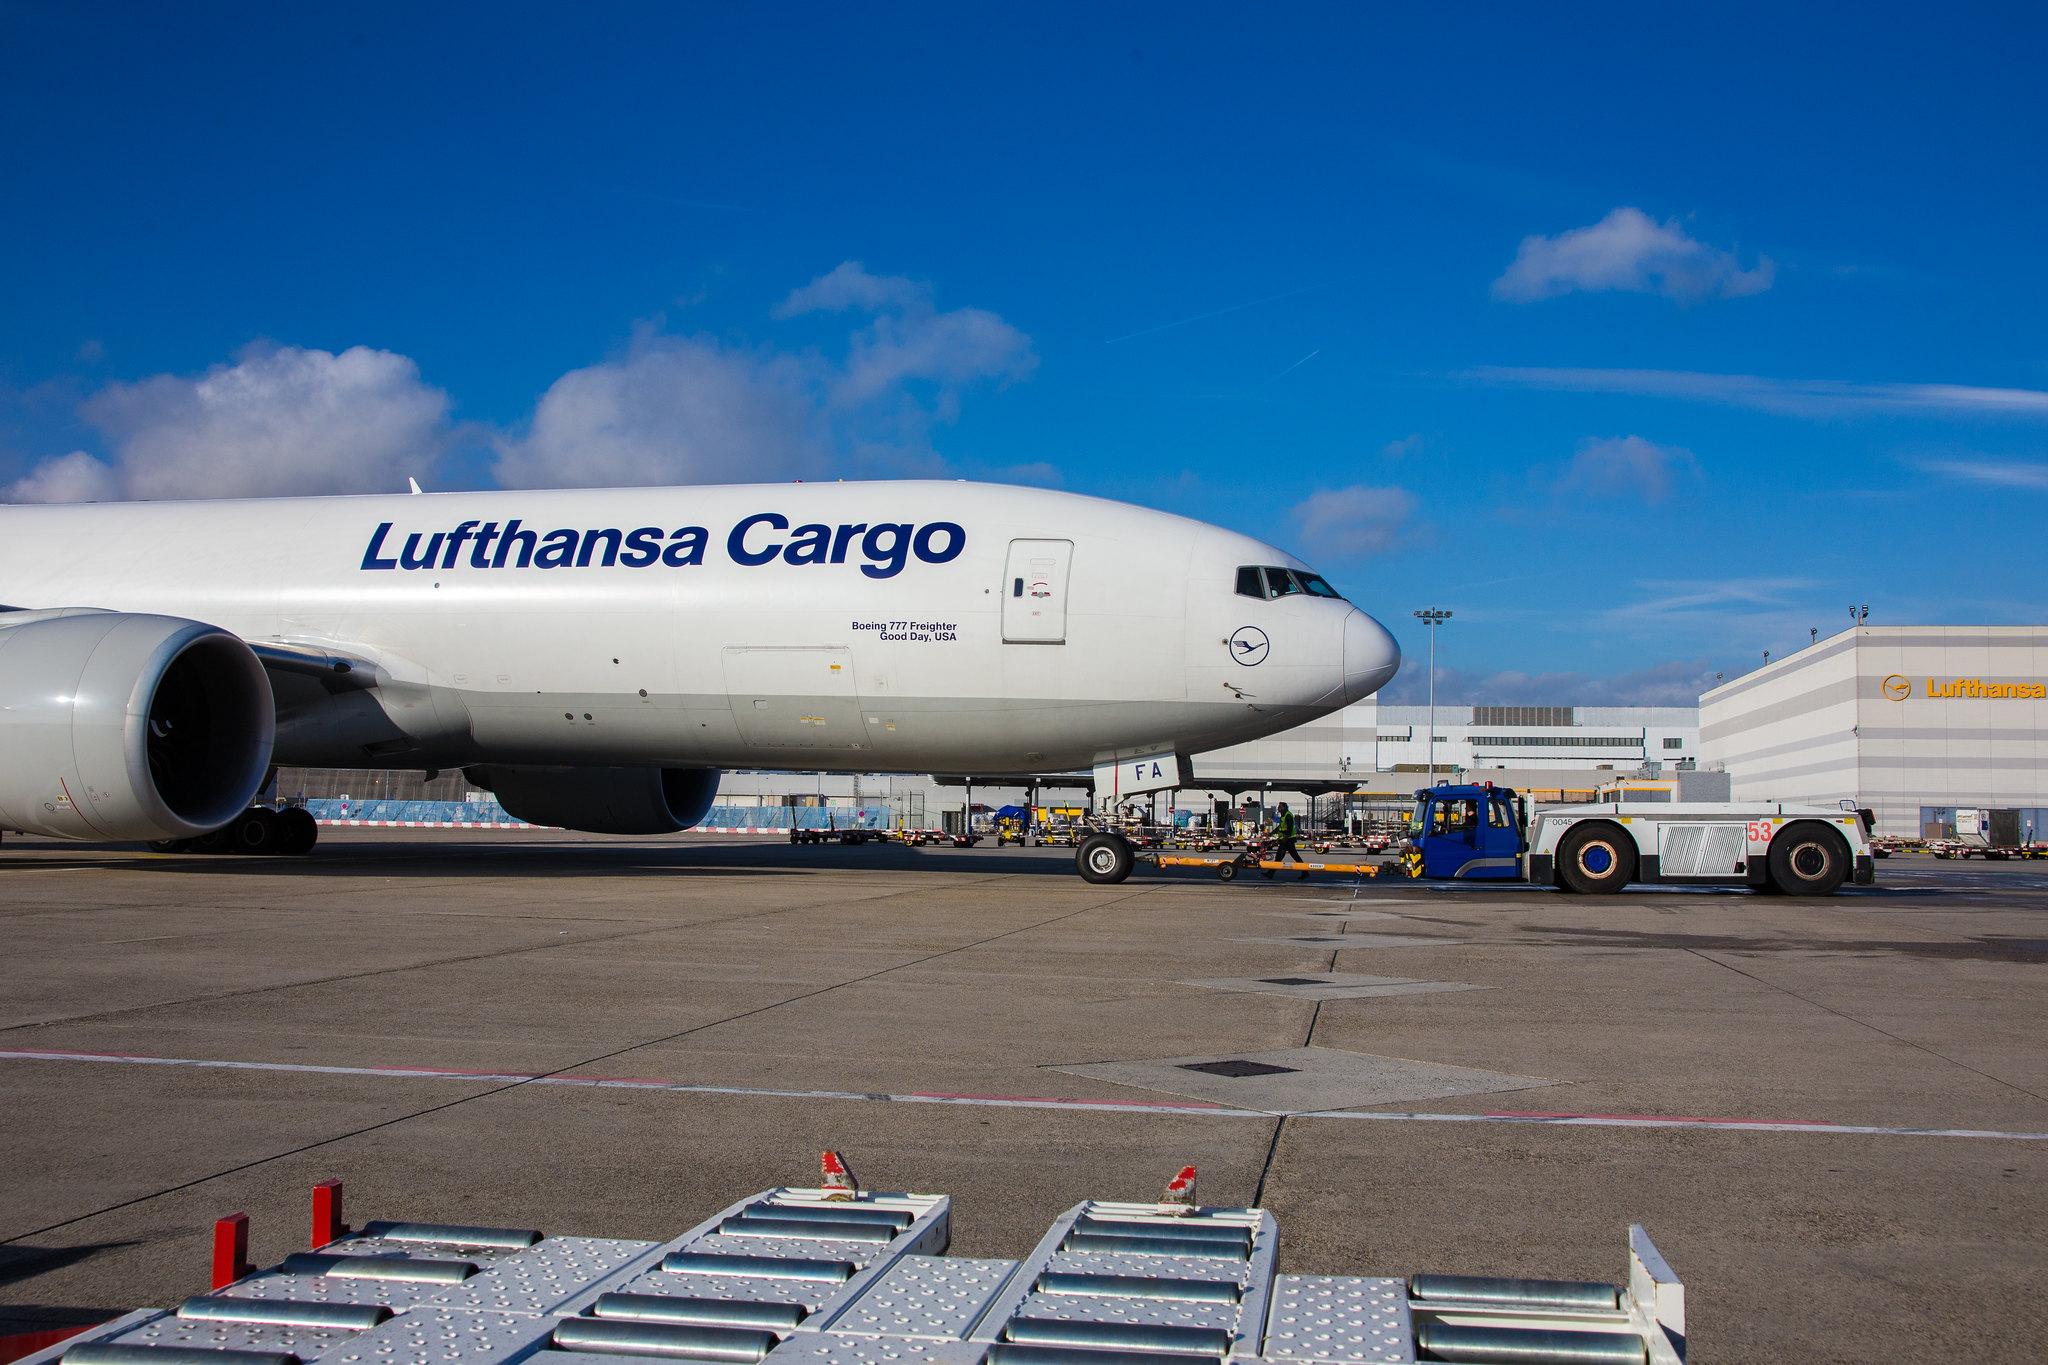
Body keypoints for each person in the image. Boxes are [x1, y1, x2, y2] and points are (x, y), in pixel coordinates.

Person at [1262, 801, 1309, 879]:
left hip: (1287, 840)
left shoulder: (1288, 815)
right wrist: (1271, 833)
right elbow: (1280, 827)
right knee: (1293, 857)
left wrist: (1285, 837)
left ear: (1284, 808)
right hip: (1286, 840)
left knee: (1279, 857)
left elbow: (1290, 828)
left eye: (1280, 807)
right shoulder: (1283, 816)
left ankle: (1270, 873)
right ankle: (1305, 872)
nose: (1278, 808)